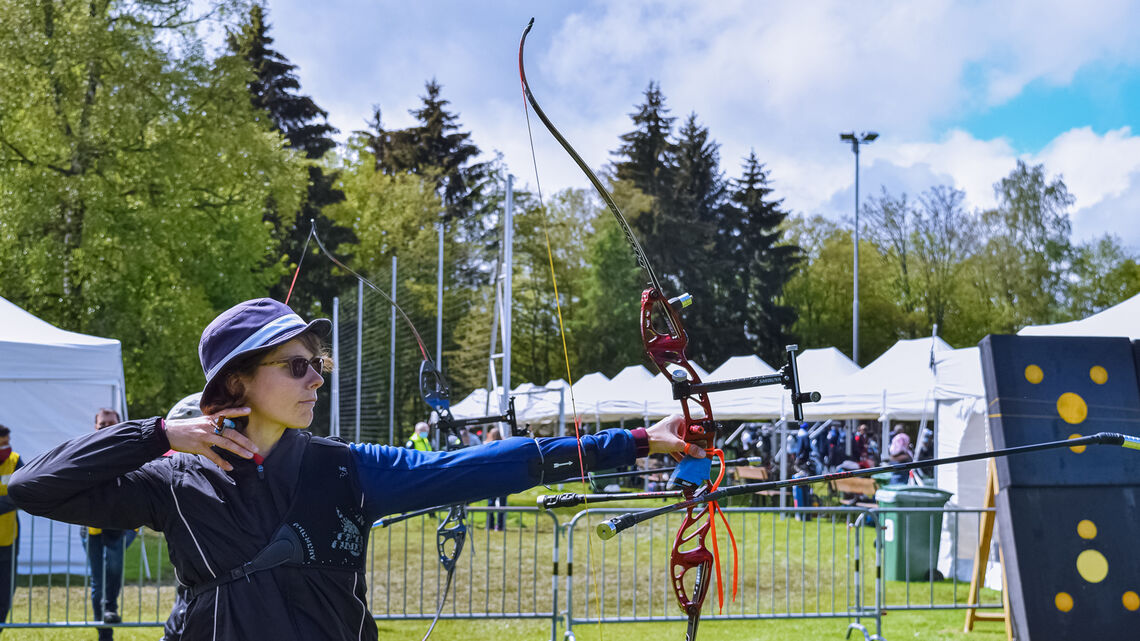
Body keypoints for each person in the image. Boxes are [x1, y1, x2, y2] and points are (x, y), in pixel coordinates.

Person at [9, 298, 695, 641]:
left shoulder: (346, 469)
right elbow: (31, 485)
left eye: (318, 365)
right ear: (237, 381)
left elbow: (474, 468)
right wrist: (158, 432)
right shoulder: (175, 481)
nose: (316, 379)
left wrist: (636, 442)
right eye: (295, 366)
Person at [84, 409, 138, 640]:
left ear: (119, 424)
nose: (106, 427)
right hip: (92, 527)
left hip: (122, 524)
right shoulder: (85, 451)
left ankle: (110, 608)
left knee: (113, 568)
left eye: (111, 423)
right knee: (98, 580)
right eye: (102, 424)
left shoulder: (129, 450)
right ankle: (104, 633)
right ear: (95, 427)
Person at [0, 425, 22, 634]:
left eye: (7, 442)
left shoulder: (15, 461)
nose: (5, 447)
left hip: (8, 537)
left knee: (6, 589)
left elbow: (21, 494)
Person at [483, 427, 507, 531]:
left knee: (491, 503)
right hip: (503, 478)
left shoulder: (487, 447)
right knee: (502, 504)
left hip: (491, 478)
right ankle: (500, 525)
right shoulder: (504, 447)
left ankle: (490, 525)